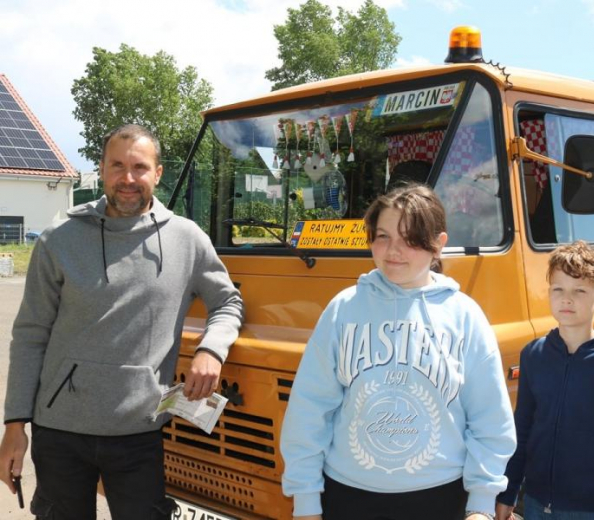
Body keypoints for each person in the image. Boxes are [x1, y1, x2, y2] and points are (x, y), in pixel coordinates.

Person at [0, 124, 244, 519]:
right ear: (101, 169)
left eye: (139, 167)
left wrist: (211, 351)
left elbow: (228, 301)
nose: (128, 179)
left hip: (139, 431)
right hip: (60, 431)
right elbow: (29, 335)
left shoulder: (187, 238)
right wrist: (15, 426)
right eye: (117, 166)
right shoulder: (58, 240)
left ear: (158, 173)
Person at [280, 183, 516, 520]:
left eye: (410, 239)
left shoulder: (465, 316)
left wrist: (480, 503)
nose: (394, 250)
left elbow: (490, 419)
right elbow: (309, 411)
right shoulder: (342, 309)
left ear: (438, 245)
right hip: (347, 499)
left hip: (441, 500)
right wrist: (305, 501)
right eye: (383, 236)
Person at [496, 241, 594, 520]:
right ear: (549, 294)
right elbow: (523, 429)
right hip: (536, 504)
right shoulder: (534, 355)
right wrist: (508, 492)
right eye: (559, 289)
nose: (567, 299)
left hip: (592, 511)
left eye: (579, 291)